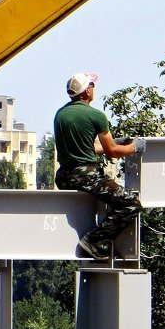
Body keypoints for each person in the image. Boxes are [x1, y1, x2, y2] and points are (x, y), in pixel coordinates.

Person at [54, 72, 142, 261]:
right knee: (129, 203)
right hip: (86, 176)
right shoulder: (96, 115)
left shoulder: (61, 114)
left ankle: (98, 243)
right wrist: (133, 147)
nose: (94, 89)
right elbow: (112, 152)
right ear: (86, 92)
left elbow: (87, 148)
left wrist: (115, 143)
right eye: (92, 86)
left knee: (113, 197)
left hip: (64, 176)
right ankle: (95, 242)